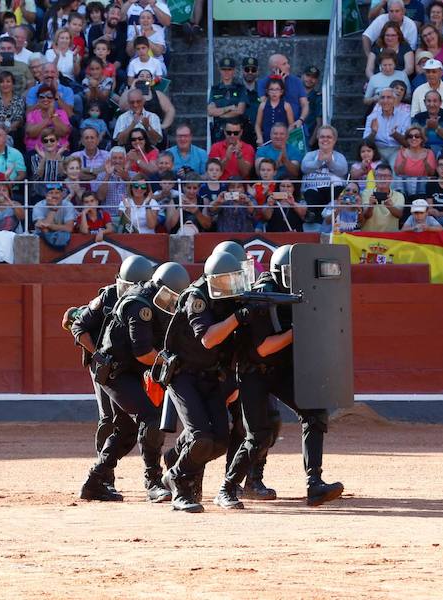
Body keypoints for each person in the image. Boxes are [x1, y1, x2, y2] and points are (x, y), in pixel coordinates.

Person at [221, 245, 345, 509]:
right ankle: (228, 488)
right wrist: (299, 330)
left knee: (314, 411)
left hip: (279, 370)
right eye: (290, 272)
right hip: (253, 372)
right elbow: (263, 348)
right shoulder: (263, 296)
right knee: (258, 434)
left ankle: (315, 484)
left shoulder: (303, 292)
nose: (296, 276)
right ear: (278, 273)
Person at [74, 260, 183, 503]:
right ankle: (153, 481)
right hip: (114, 371)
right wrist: (171, 362)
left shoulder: (158, 302)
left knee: (126, 429)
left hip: (130, 371)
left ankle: (94, 481)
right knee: (148, 418)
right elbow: (142, 352)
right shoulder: (138, 305)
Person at [161, 252, 246, 513]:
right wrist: (239, 317)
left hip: (211, 376)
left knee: (220, 440)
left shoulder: (233, 299)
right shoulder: (196, 297)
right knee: (200, 438)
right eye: (224, 282)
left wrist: (233, 382)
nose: (228, 288)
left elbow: (234, 347)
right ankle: (179, 481)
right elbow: (209, 339)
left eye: (233, 282)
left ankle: (176, 460)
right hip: (183, 375)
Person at [364, 87, 410, 163]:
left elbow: (407, 143)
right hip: (378, 149)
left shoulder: (405, 116)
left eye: (389, 97)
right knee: (376, 170)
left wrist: (395, 134)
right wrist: (373, 133)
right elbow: (366, 143)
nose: (385, 101)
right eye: (382, 98)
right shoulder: (372, 117)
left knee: (396, 168)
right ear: (379, 101)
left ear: (394, 100)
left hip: (397, 149)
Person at [208, 57, 246, 142]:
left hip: (236, 132)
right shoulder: (215, 89)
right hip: (219, 132)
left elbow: (240, 110)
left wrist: (220, 114)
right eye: (223, 69)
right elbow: (210, 111)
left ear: (234, 70)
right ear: (219, 70)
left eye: (229, 69)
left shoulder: (240, 88)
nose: (226, 72)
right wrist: (229, 108)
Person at [361, 163, 406, 231]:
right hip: (369, 236)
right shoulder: (366, 193)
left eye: (386, 176)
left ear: (391, 178)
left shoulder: (399, 195)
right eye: (379, 176)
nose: (382, 178)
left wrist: (390, 206)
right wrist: (370, 206)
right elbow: (366, 216)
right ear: (375, 178)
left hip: (389, 238)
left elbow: (399, 215)